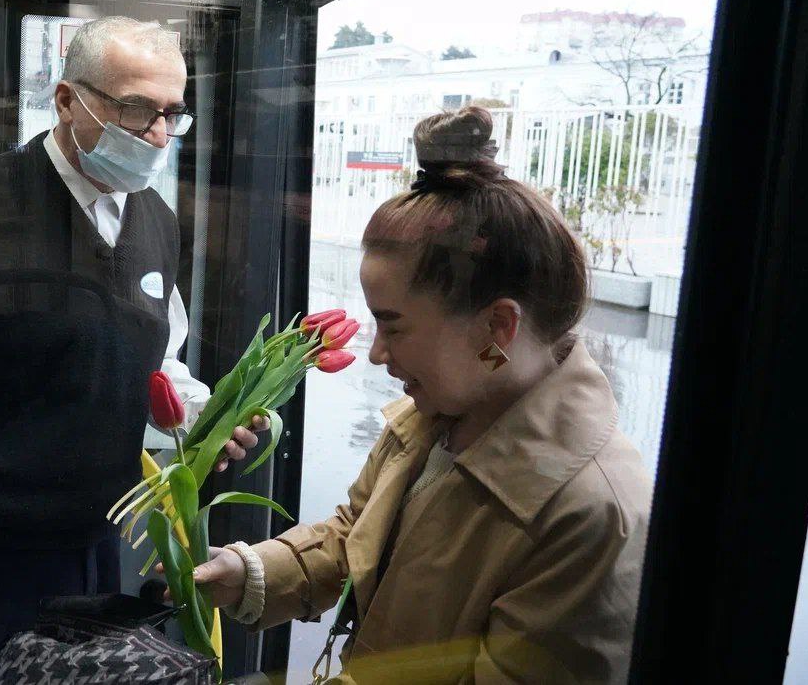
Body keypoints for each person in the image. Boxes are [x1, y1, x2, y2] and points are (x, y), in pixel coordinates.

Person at [185, 107, 653, 683]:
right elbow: (355, 533)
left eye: (395, 326)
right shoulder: (434, 414)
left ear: (497, 327)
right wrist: (248, 570)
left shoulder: (589, 514)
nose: (378, 354)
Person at [0, 17, 266, 684]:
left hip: (94, 547)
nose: (159, 135)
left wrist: (201, 419)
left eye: (173, 112)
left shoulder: (156, 223)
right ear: (65, 100)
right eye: (138, 109)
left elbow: (154, 363)